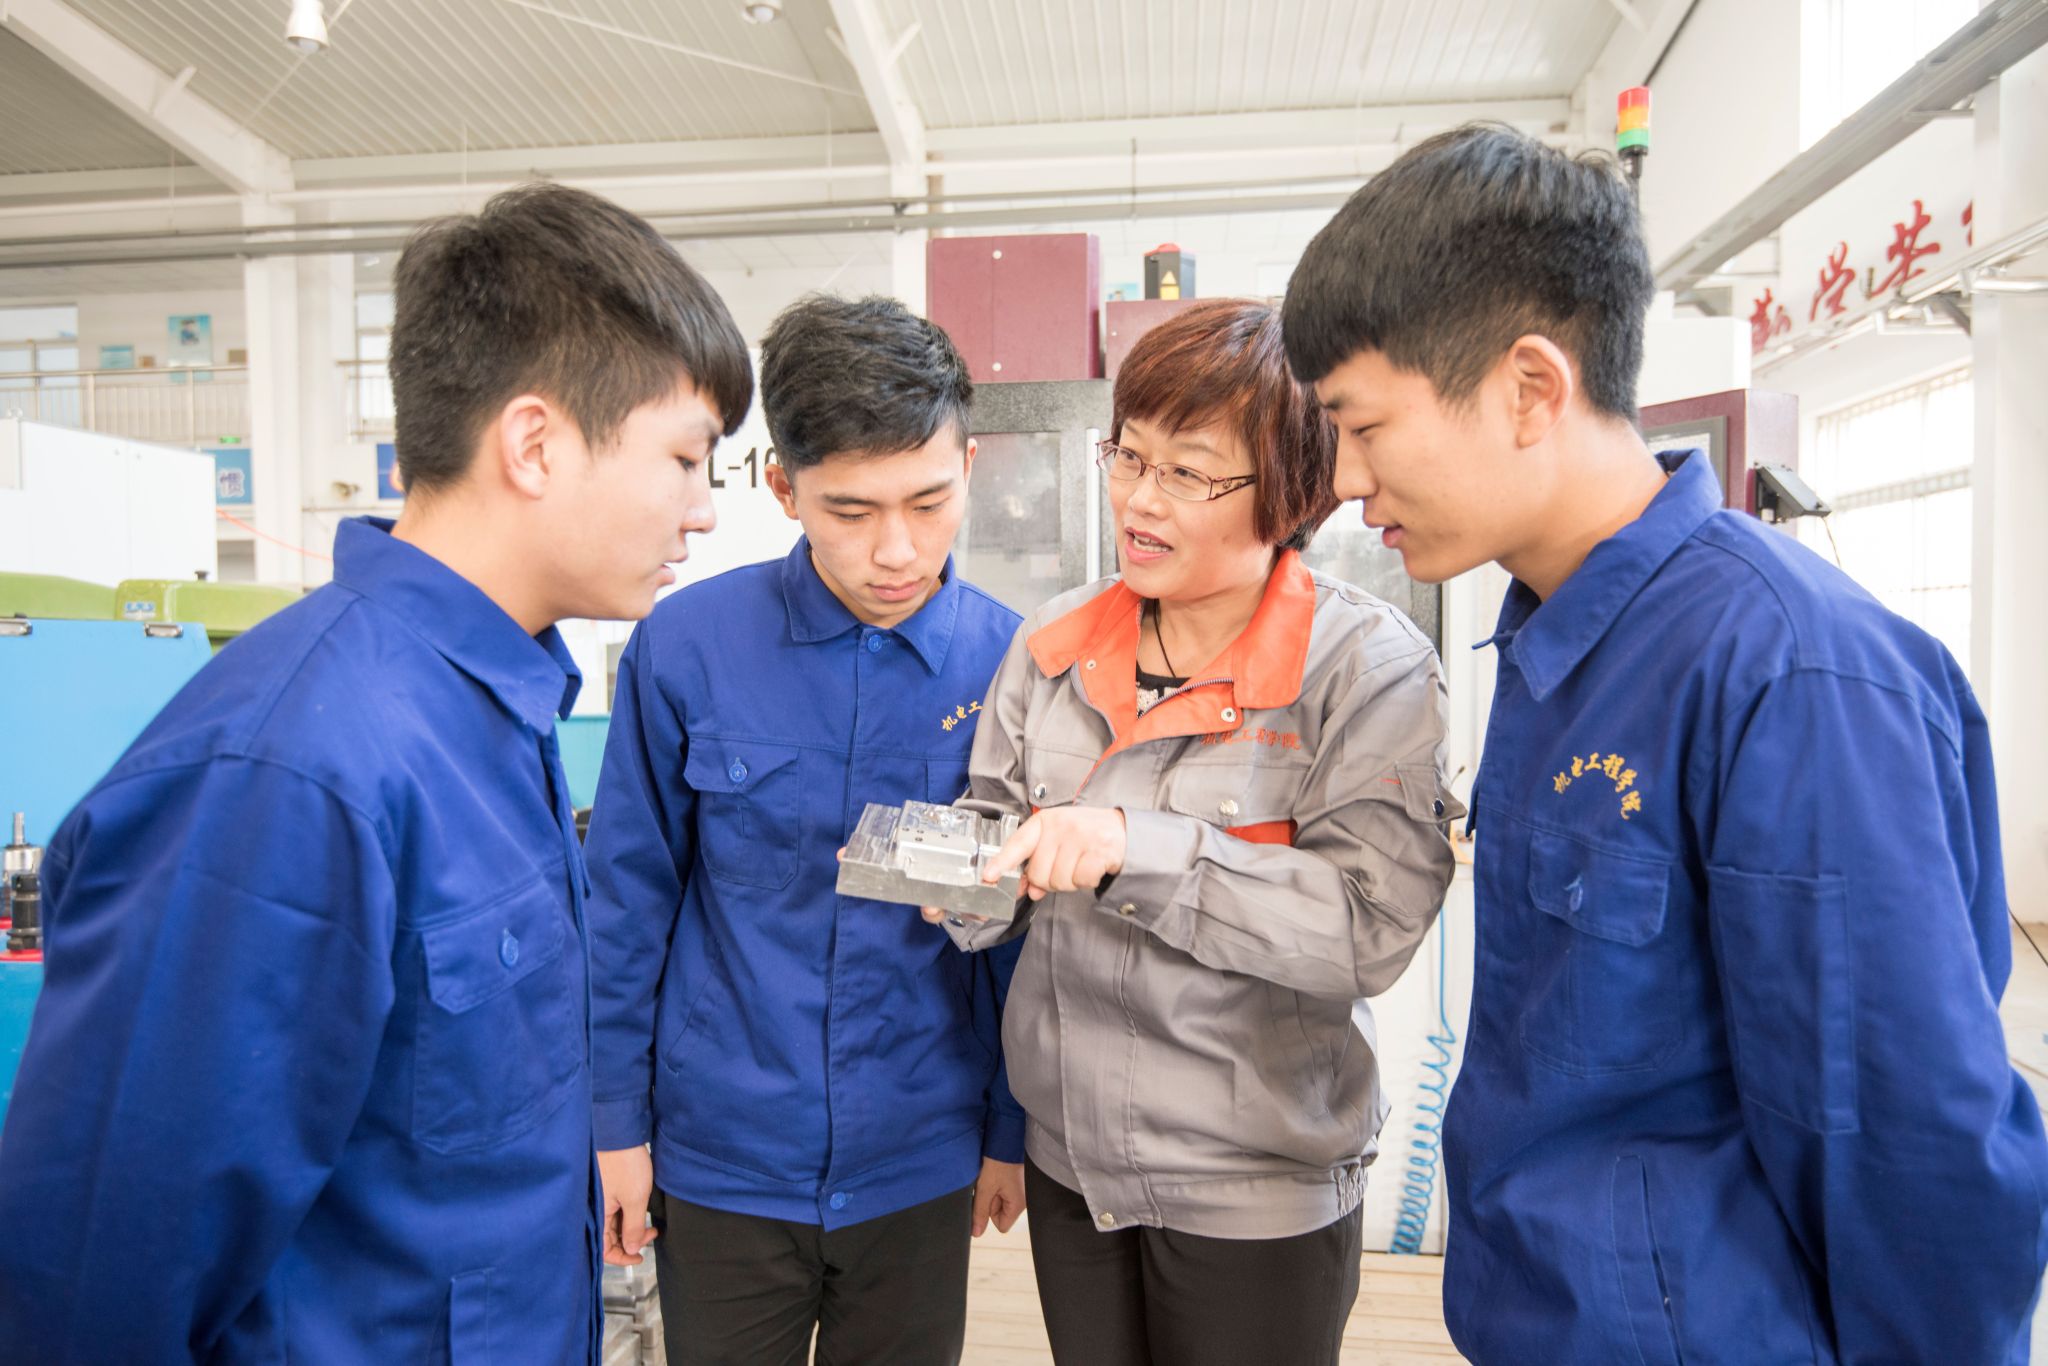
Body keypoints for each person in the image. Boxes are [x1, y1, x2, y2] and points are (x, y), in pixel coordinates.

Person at [1282, 123, 2048, 1364]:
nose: (1343, 479)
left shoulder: (1788, 675)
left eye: (1361, 425)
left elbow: (1910, 1144)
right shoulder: (1555, 642)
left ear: (1530, 388)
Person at [0, 183, 752, 1361]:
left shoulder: (489, 711)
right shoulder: (287, 773)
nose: (702, 512)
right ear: (535, 444)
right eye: (686, 458)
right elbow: (103, 1282)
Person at [931, 298, 1461, 1366]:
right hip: (1073, 1165)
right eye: (1128, 456)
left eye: (1189, 473)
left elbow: (1367, 929)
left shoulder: (1365, 670)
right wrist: (955, 877)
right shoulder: (1052, 642)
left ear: (1289, 489)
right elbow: (991, 823)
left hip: (1253, 1186)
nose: (1139, 498)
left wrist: (1139, 848)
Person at [583, 293, 1027, 1366]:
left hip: (918, 1149)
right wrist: (612, 1124)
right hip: (721, 1152)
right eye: (850, 510)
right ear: (782, 487)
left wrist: (1012, 1129)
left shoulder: (1016, 666)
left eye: (929, 502)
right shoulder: (685, 648)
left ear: (969, 466)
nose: (895, 550)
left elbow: (1023, 941)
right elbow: (627, 901)